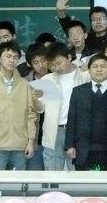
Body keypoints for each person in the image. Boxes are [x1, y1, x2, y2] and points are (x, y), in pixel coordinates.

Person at [0, 41, 37, 170]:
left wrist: (31, 141)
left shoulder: (24, 84)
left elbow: (30, 115)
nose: (12, 60)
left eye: (15, 57)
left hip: (20, 146)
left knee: (20, 183)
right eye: (8, 56)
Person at [65, 54, 107, 170]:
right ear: (89, 70)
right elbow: (71, 120)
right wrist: (70, 145)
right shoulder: (78, 92)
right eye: (95, 66)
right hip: (83, 149)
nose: (99, 70)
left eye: (103, 66)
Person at [33, 42, 90, 171]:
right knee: (52, 174)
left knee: (77, 171)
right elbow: (40, 109)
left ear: (69, 57)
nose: (56, 68)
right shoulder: (47, 79)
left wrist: (88, 65)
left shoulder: (84, 76)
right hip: (54, 131)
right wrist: (35, 98)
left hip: (77, 130)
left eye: (59, 63)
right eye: (52, 65)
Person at [24, 42, 50, 171]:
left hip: (55, 138)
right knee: (35, 175)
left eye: (43, 60)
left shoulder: (58, 78)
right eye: (36, 62)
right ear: (29, 64)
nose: (41, 65)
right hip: (35, 139)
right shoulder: (25, 83)